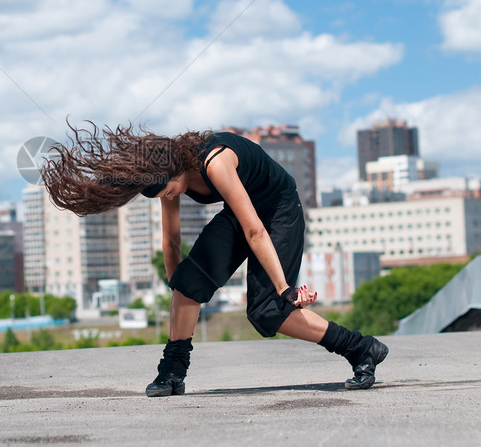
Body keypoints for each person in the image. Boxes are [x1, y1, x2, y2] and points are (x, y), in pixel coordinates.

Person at [41, 122, 388, 397]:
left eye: (170, 191)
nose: (171, 196)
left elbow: (256, 232)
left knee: (267, 313)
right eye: (164, 195)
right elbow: (171, 238)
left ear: (178, 171)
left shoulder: (216, 162)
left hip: (278, 211)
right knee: (189, 281)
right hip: (243, 215)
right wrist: (181, 286)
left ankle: (361, 349)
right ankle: (172, 371)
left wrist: (284, 289)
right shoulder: (167, 174)